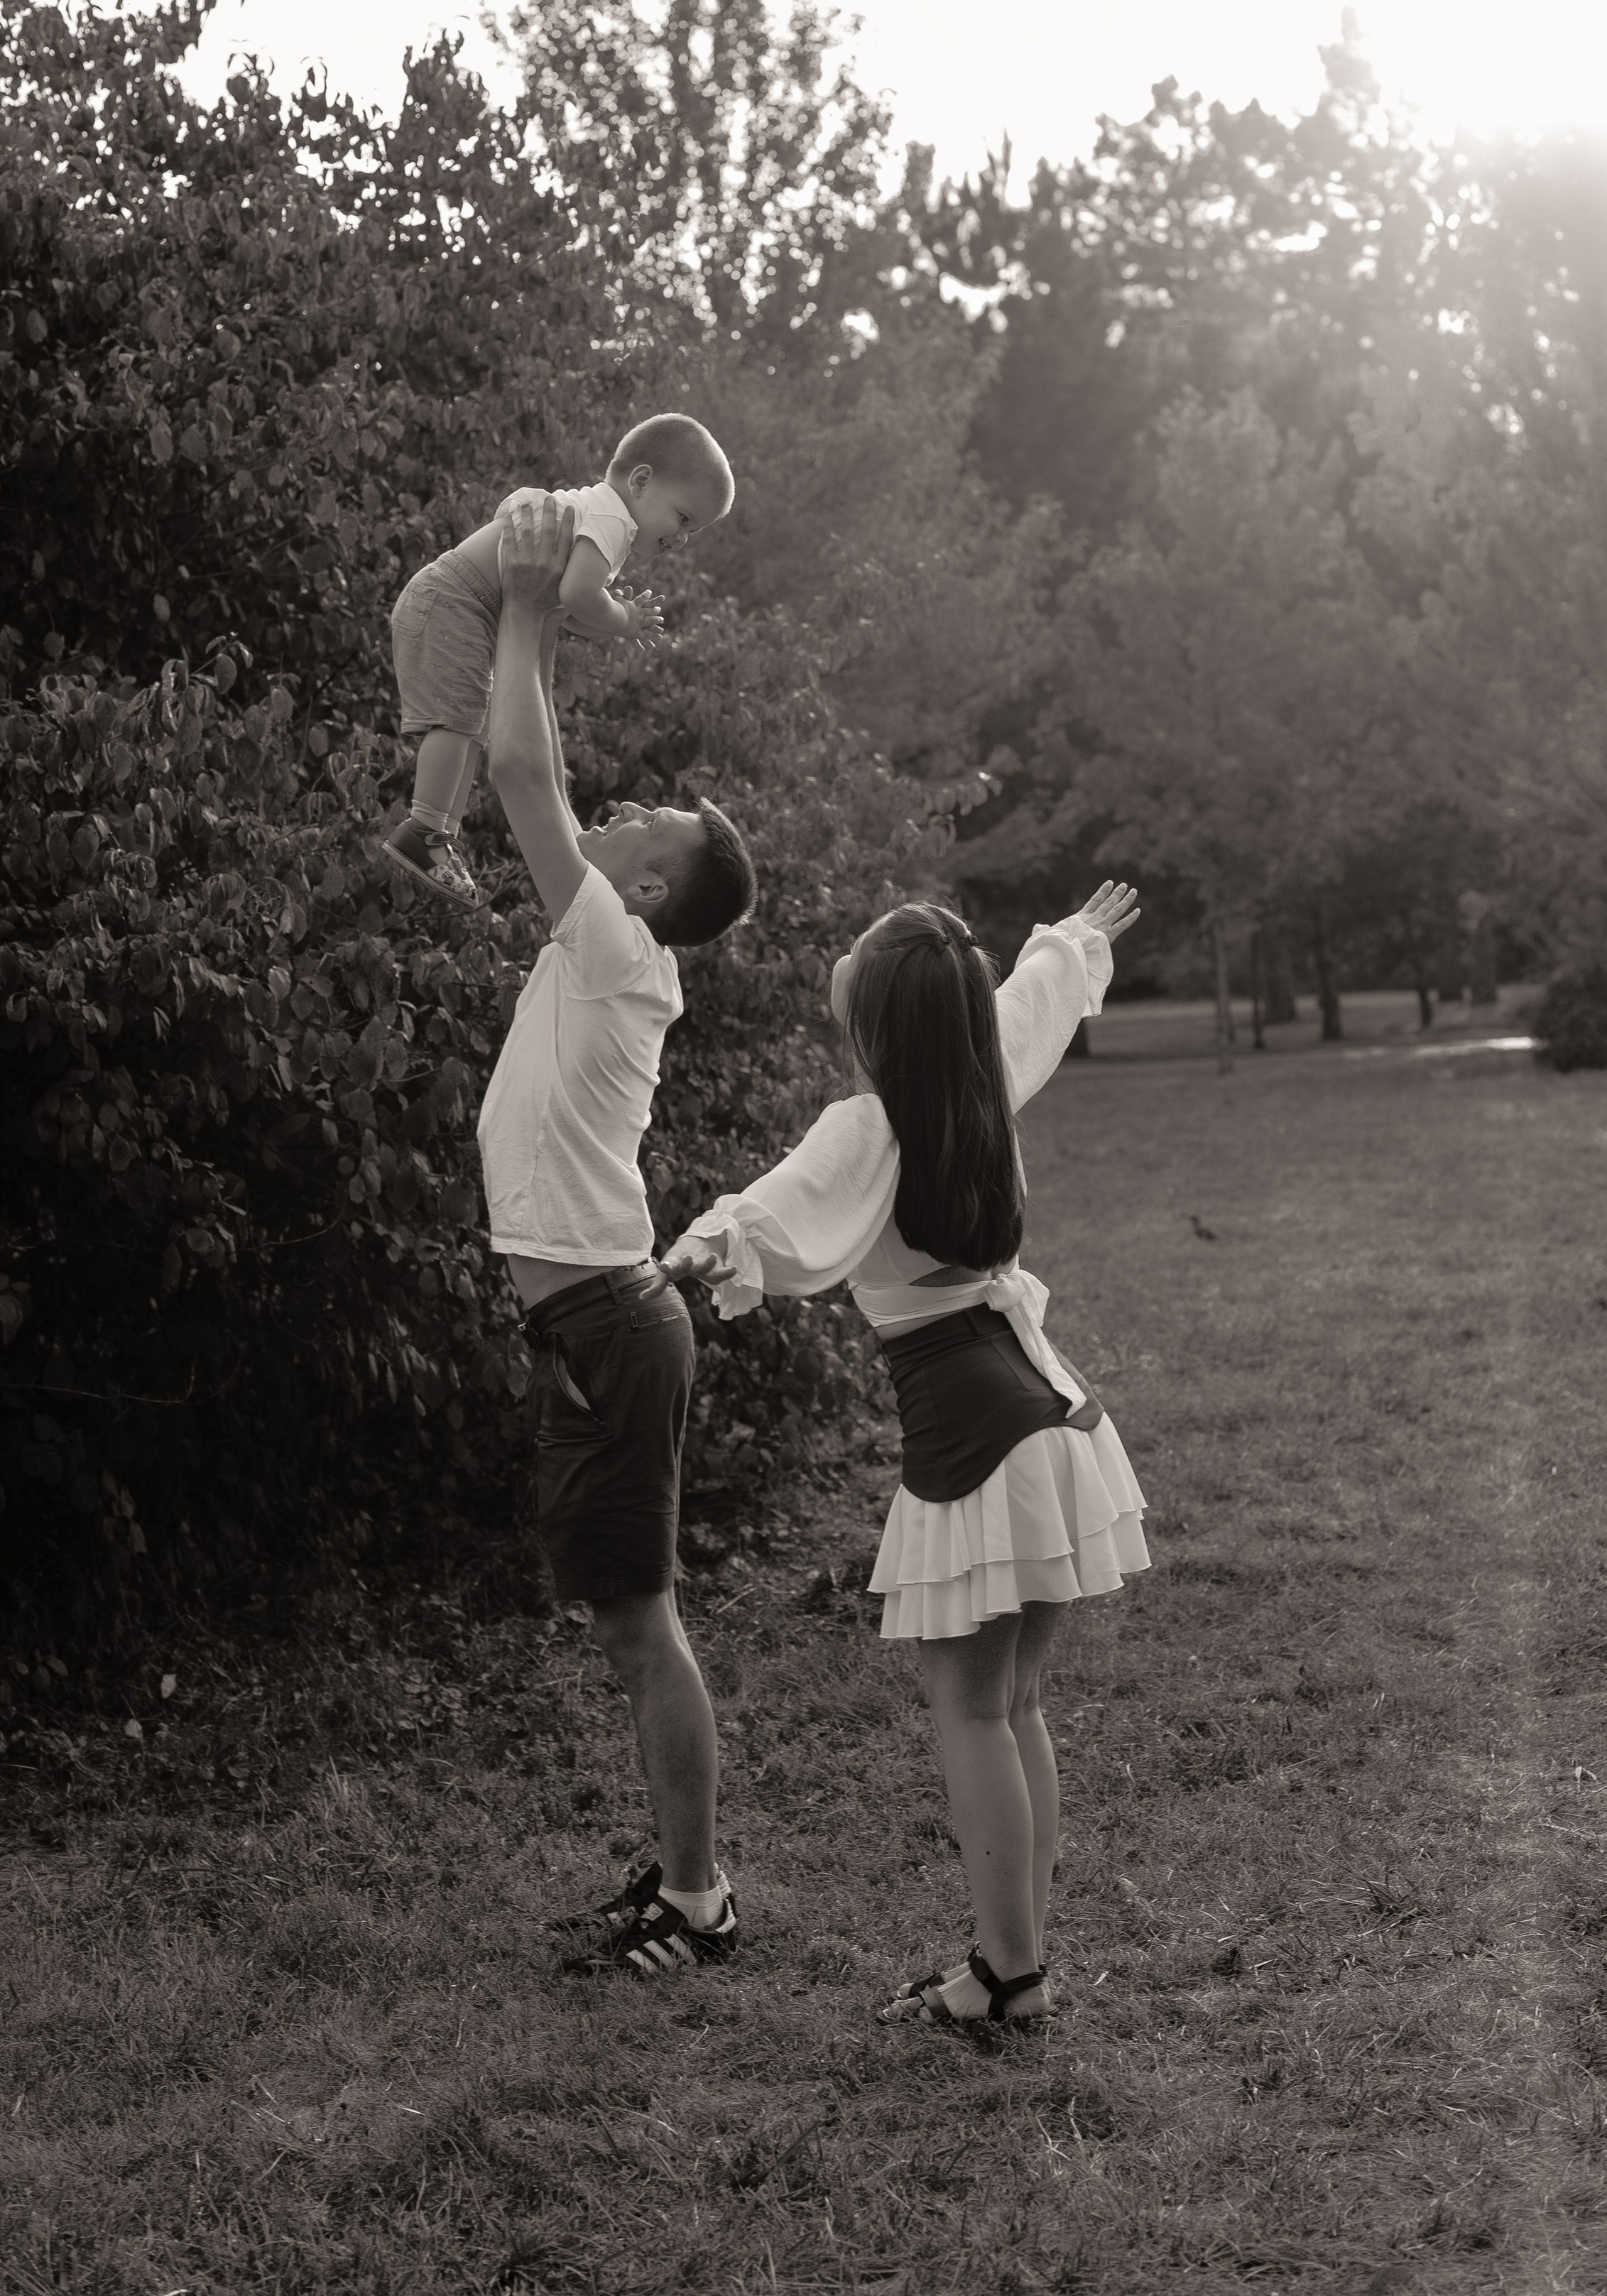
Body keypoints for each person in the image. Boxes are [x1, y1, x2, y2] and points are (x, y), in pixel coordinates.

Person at [663, 887, 1148, 2028]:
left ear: (877, 1015)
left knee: (973, 1709)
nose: (841, 959)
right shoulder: (979, 1089)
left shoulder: (870, 1124)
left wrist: (692, 1251)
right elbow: (1022, 1011)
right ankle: (1016, 1967)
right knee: (1012, 1704)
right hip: (1052, 1417)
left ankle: (1007, 1976)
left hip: (982, 1437)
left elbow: (778, 1207)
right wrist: (1071, 947)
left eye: (857, 954)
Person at [476, 494, 756, 1981]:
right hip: (595, 1320)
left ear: (644, 886)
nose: (622, 801)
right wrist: (530, 622)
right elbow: (541, 766)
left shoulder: (614, 940)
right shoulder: (614, 941)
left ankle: (698, 1904)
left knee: (642, 1626)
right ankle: (683, 1876)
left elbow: (526, 768)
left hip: (602, 1322)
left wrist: (529, 600)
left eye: (644, 820)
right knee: (628, 1622)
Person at [383, 413, 735, 909]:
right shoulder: (614, 522)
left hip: (459, 604)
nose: (681, 539)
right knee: (458, 725)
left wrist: (613, 621)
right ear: (641, 482)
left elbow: (565, 612)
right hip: (456, 600)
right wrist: (623, 619)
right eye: (682, 519)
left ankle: (442, 835)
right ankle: (423, 828)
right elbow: (577, 594)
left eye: (692, 531)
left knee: (473, 729)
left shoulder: (603, 522)